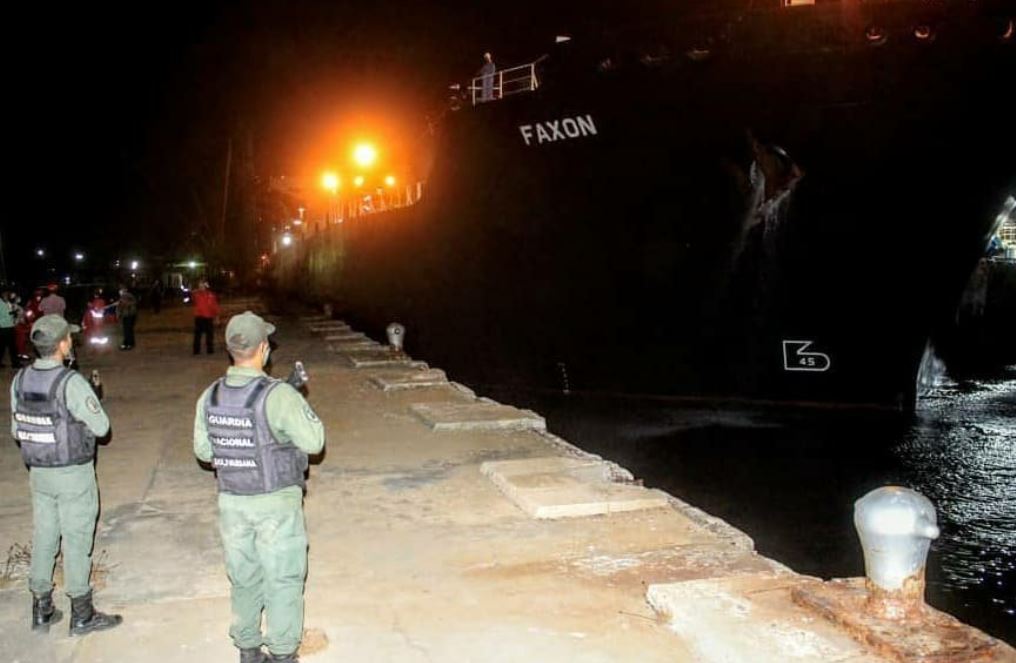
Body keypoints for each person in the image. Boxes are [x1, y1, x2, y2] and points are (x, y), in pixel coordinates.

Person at [193, 312, 325, 663]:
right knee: (282, 578)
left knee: (244, 576)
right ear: (264, 349)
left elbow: (204, 451)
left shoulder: (210, 395)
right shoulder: (278, 395)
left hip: (233, 502)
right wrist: (293, 400)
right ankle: (282, 653)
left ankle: (248, 650)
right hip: (275, 503)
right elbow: (314, 441)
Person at [9, 314, 122, 635]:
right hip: (72, 473)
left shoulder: (19, 380)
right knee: (76, 539)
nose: (71, 342)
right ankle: (82, 613)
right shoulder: (70, 382)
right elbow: (101, 428)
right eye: (68, 338)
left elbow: (18, 431)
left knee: (45, 534)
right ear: (61, 345)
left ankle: (42, 606)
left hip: (39, 473)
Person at [192, 280, 220, 355]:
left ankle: (210, 349)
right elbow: (192, 297)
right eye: (199, 286)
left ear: (206, 286)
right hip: (199, 317)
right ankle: (196, 350)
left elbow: (214, 306)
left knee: (209, 335)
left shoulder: (211, 295)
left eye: (202, 286)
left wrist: (216, 316)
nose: (201, 287)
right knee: (198, 335)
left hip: (208, 317)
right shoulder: (196, 294)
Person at [0, 290, 19, 369]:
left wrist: (13, 313)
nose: (7, 295)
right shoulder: (1, 303)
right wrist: (12, 313)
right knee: (11, 347)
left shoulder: (6, 302)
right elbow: (5, 313)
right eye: (5, 294)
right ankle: (15, 363)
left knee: (4, 346)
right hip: (4, 327)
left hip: (9, 326)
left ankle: (14, 363)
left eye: (7, 294)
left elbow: (10, 312)